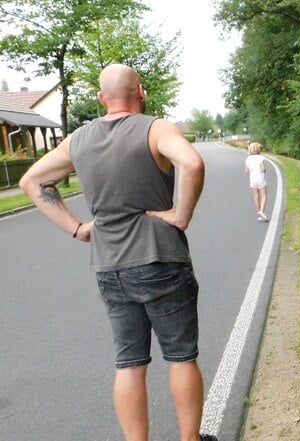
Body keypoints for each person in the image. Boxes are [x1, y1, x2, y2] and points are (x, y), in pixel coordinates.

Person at [19, 64, 217, 441]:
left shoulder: (78, 139)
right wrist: (180, 214)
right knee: (180, 357)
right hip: (161, 259)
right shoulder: (155, 128)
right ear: (140, 91)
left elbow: (33, 181)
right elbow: (191, 162)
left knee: (129, 364)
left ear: (100, 98)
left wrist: (77, 228)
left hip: (110, 267)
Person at [244, 142, 268, 221]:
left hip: (253, 180)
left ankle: (259, 213)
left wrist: (252, 170)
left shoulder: (248, 159)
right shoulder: (260, 158)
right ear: (258, 149)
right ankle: (261, 211)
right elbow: (263, 169)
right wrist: (264, 170)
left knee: (256, 196)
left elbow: (246, 171)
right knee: (264, 195)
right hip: (260, 179)